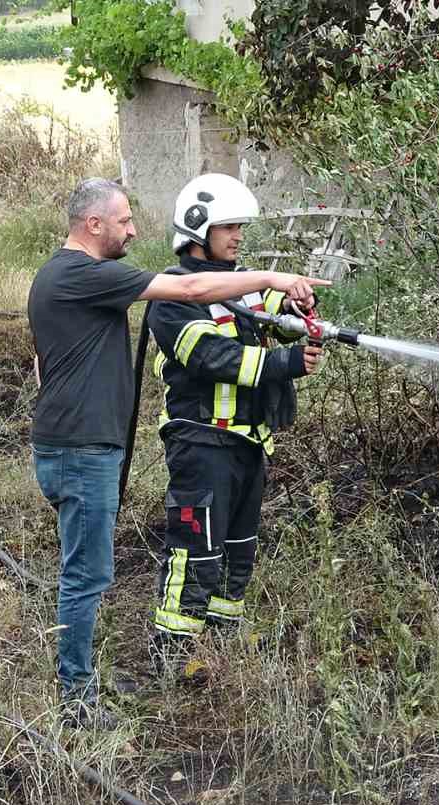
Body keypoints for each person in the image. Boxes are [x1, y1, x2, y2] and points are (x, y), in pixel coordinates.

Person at [27, 177, 326, 728]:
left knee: (95, 569)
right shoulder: (80, 273)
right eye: (123, 221)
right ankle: (77, 700)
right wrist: (275, 278)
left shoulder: (62, 278)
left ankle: (87, 680)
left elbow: (45, 362)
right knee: (86, 576)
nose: (134, 230)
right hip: (88, 450)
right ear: (93, 224)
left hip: (85, 445)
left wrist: (289, 300)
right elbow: (188, 297)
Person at [146, 173, 323, 674]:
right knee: (194, 550)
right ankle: (174, 658)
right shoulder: (173, 297)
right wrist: (286, 364)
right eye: (228, 227)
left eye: (240, 227)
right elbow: (213, 357)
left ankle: (221, 646)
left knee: (239, 551)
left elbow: (273, 308)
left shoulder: (239, 289)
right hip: (201, 446)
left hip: (247, 445)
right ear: (198, 230)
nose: (237, 236)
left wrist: (298, 302)